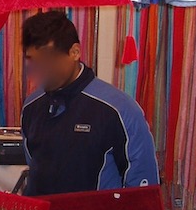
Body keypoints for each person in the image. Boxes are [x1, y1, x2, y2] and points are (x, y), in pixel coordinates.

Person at [21, 11, 159, 196]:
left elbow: (143, 188)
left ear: (74, 52)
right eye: (33, 60)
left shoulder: (118, 109)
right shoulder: (32, 106)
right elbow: (34, 167)